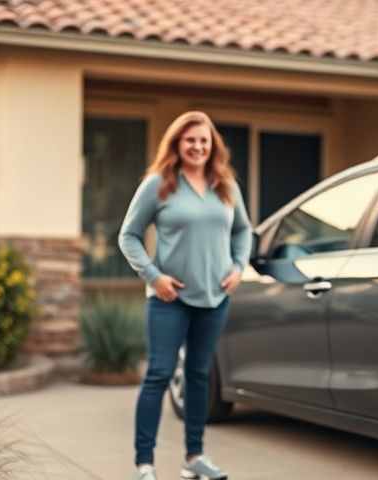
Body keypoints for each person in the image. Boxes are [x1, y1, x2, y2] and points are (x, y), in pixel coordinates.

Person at [119, 111, 252, 480]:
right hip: (168, 299)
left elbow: (244, 230)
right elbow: (128, 235)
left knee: (198, 376)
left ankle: (194, 458)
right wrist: (153, 276)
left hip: (215, 299)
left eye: (204, 141)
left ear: (213, 147)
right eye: (190, 140)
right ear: (177, 143)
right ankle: (144, 465)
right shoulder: (158, 184)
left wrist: (239, 266)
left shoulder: (225, 185)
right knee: (159, 375)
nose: (197, 146)